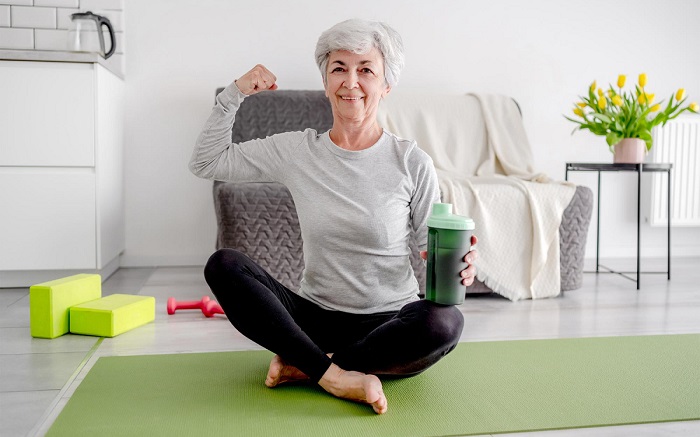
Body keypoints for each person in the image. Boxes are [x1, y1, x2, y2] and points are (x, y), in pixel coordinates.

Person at [189, 18, 478, 415]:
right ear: (325, 81)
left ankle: (307, 364)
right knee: (223, 265)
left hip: (389, 324)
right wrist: (234, 94)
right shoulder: (298, 151)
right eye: (339, 68)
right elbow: (207, 162)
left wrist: (459, 265)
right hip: (315, 316)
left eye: (366, 70)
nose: (351, 81)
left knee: (446, 324)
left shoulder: (411, 161)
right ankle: (336, 376)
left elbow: (433, 249)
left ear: (385, 85)